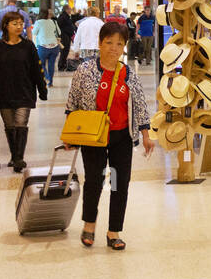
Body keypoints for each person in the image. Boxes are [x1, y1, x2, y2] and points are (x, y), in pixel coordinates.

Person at [63, 23, 154, 250]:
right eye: (109, 42)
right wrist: (70, 135)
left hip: (121, 137)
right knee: (93, 180)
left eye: (119, 44)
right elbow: (72, 103)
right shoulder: (85, 70)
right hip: (93, 136)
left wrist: (146, 134)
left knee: (119, 184)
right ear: (100, 43)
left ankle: (114, 231)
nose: (114, 48)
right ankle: (89, 225)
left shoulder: (128, 73)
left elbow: (140, 105)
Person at [0, 11, 47, 171]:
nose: (19, 27)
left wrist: (42, 89)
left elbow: (37, 69)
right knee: (9, 125)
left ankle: (19, 158)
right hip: (4, 91)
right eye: (15, 24)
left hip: (25, 91)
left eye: (21, 23)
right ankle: (14, 155)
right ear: (6, 26)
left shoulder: (28, 46)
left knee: (21, 124)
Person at [32, 7, 62, 86]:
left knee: (41, 64)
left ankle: (47, 78)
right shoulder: (52, 21)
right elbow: (59, 32)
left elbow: (34, 32)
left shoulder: (38, 22)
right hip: (54, 46)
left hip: (43, 46)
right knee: (51, 64)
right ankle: (50, 82)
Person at [57, 4, 76, 70]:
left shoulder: (66, 16)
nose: (70, 10)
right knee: (64, 51)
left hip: (67, 36)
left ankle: (63, 65)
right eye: (69, 9)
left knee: (65, 51)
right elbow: (60, 26)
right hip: (64, 36)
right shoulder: (63, 17)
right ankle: (61, 66)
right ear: (66, 10)